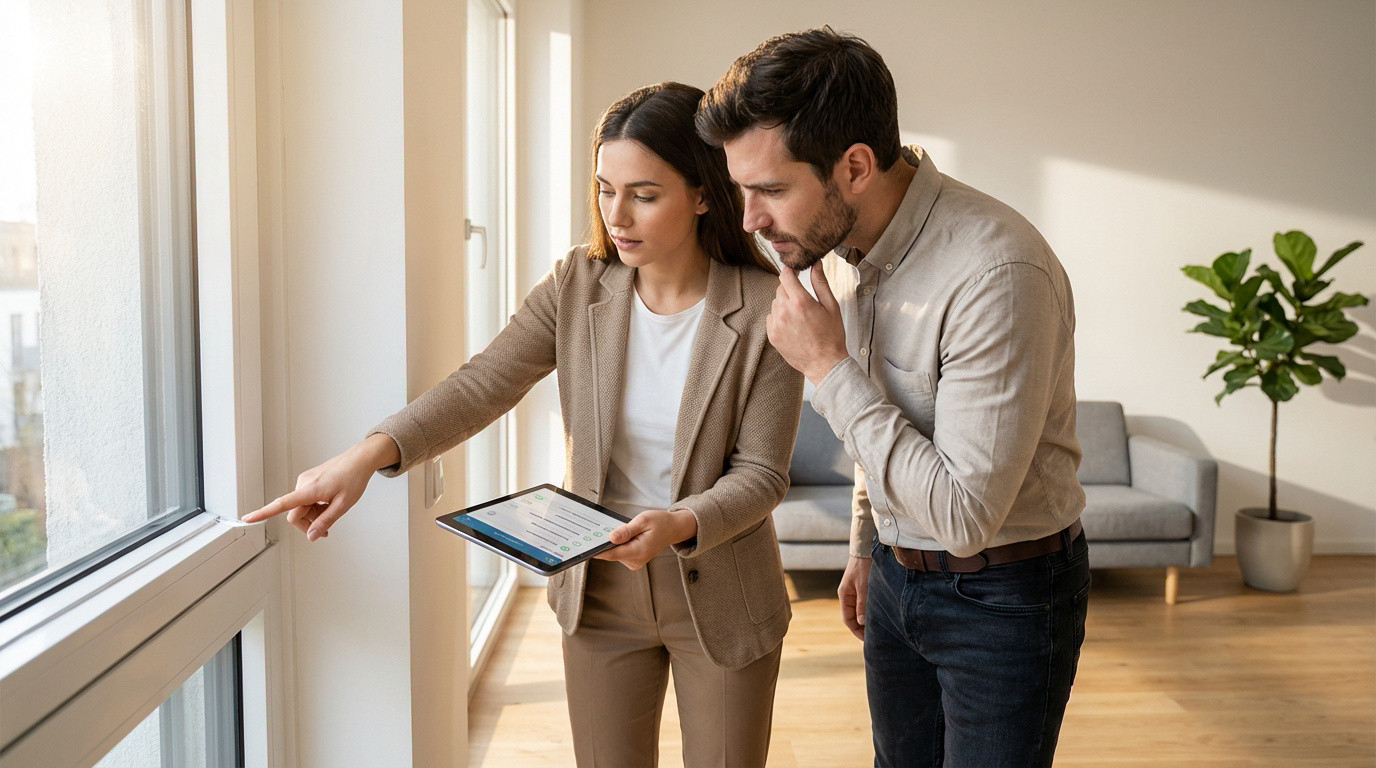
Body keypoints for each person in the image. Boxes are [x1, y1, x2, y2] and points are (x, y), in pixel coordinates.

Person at [244, 81, 802, 768]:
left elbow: (762, 474)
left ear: (704, 193)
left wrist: (678, 522)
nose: (616, 214)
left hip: (721, 589)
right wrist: (367, 455)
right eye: (604, 188)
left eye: (644, 194)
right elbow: (483, 383)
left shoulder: (767, 307)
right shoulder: (578, 285)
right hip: (596, 590)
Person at [697, 28, 1090, 768]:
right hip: (894, 578)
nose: (749, 220)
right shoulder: (839, 251)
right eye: (740, 189)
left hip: (1003, 595)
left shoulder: (995, 273)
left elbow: (966, 518)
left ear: (853, 166)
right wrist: (866, 547)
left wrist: (825, 367)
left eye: (770, 190)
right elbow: (886, 422)